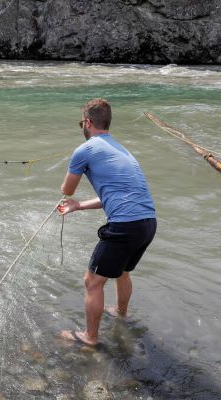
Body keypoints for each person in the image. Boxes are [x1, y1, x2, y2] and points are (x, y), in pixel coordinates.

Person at [58, 98, 156, 347]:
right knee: (122, 273)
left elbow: (67, 189)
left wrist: (71, 189)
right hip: (147, 223)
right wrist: (79, 206)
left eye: (82, 122)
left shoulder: (86, 149)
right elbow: (113, 196)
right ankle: (121, 314)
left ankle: (90, 338)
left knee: (92, 281)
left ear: (88, 122)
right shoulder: (121, 149)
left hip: (124, 225)